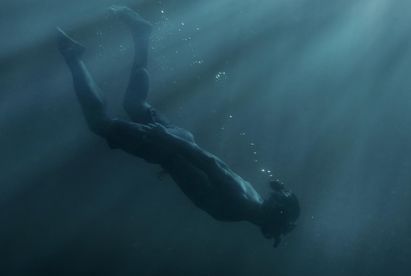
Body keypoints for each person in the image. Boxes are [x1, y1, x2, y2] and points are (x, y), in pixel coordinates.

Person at [57, 6, 299, 246]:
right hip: (169, 148)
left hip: (176, 143)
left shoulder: (249, 202)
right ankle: (73, 56)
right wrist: (166, 140)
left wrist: (174, 150)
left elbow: (207, 170)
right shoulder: (242, 203)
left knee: (134, 103)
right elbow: (210, 163)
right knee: (101, 123)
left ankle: (141, 35)